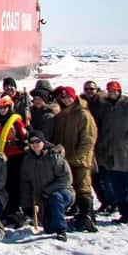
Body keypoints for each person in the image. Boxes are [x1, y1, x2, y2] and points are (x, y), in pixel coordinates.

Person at [96, 81, 128, 226]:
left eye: (114, 91)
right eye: (109, 91)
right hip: (112, 155)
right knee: (118, 188)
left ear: (119, 91)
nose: (112, 93)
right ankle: (124, 213)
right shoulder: (105, 108)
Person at [50, 86, 98, 233]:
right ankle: (78, 214)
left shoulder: (83, 114)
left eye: (68, 97)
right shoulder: (61, 115)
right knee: (72, 187)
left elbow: (88, 139)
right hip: (66, 158)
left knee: (83, 186)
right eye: (63, 98)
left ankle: (87, 216)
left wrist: (78, 156)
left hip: (80, 159)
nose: (66, 100)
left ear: (74, 97)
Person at [19, 130, 73, 241]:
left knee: (55, 197)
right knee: (49, 227)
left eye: (38, 141)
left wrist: (48, 190)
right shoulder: (28, 160)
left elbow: (66, 178)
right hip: (43, 198)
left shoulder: (54, 156)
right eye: (32, 142)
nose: (35, 145)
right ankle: (61, 223)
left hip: (63, 192)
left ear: (43, 142)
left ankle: (61, 231)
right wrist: (26, 206)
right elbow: (25, 184)